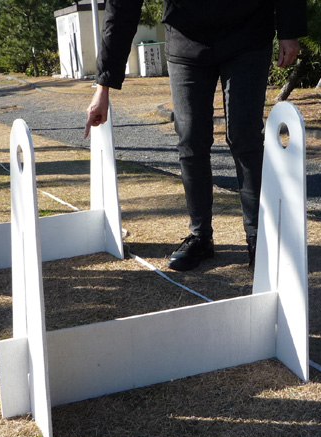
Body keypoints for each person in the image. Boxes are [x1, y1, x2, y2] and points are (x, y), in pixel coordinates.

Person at [85, 0, 307, 271]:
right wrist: (103, 85)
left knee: (245, 136)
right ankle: (200, 236)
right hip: (186, 39)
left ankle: (260, 237)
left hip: (248, 30)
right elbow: (121, 7)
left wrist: (289, 30)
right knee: (190, 139)